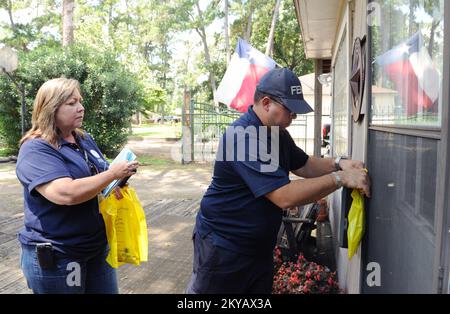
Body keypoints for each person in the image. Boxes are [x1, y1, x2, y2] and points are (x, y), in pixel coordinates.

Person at [186, 67, 370, 294]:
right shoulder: (243, 137)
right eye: (290, 110)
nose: (294, 117)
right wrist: (340, 178)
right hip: (224, 247)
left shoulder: (277, 132)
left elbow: (303, 164)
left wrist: (339, 163)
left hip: (258, 249)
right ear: (266, 103)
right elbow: (284, 196)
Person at [16, 78, 139, 294]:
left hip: (96, 247)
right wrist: (112, 174)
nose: (81, 108)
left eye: (80, 102)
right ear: (51, 108)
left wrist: (117, 180)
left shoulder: (82, 138)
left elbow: (98, 175)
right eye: (71, 103)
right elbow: (65, 193)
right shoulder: (35, 149)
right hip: (59, 255)